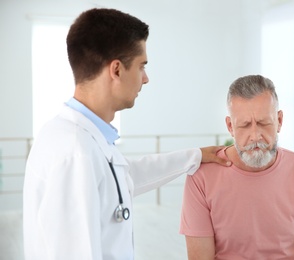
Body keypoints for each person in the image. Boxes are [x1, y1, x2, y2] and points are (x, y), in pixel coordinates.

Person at [23, 8, 230, 260]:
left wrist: (195, 156)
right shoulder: (77, 153)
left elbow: (123, 177)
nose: (146, 78)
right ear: (117, 70)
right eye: (142, 65)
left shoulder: (81, 137)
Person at [180, 75, 294, 259]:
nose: (255, 136)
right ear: (230, 126)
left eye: (263, 123)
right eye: (244, 125)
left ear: (279, 121)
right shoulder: (201, 176)